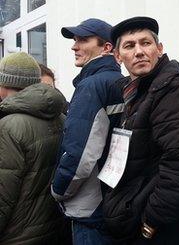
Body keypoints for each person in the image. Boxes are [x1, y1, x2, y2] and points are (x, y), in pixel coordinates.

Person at [103, 16, 179, 244]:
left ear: (159, 49)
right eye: (130, 46)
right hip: (134, 213)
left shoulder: (171, 89)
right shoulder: (134, 91)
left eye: (146, 43)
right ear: (118, 56)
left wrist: (152, 221)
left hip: (158, 226)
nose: (139, 51)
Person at [51, 18, 124, 244]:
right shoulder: (120, 81)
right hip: (114, 203)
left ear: (107, 47)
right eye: (75, 40)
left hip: (90, 210)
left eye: (83, 40)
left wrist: (58, 189)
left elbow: (80, 153)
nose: (74, 46)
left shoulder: (92, 86)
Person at [0, 52, 68, 244]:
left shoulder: (9, 126)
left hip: (17, 235)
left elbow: (4, 194)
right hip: (52, 227)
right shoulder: (60, 117)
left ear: (4, 83)